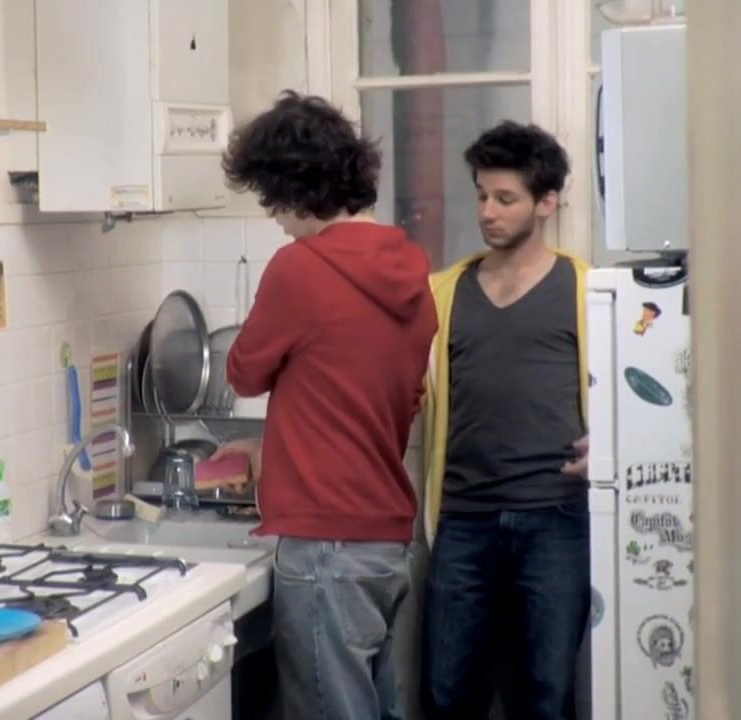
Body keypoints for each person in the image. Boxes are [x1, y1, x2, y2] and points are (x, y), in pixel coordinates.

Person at [211, 91, 438, 720]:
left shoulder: (300, 269)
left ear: (294, 188)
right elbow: (379, 399)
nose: (274, 217)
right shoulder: (411, 272)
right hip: (385, 538)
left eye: (270, 198)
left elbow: (243, 373)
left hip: (326, 545)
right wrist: (278, 445)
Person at [420, 120, 591, 719]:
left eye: (505, 198)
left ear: (547, 203)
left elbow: (633, 393)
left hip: (556, 518)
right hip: (463, 519)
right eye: (481, 196)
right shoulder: (443, 293)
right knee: (448, 695)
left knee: (545, 697)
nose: (487, 212)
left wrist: (610, 443)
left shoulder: (584, 289)